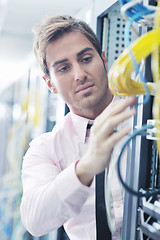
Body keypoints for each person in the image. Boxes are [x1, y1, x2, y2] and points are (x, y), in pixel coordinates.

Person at [20, 15, 137, 240]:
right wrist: (85, 168)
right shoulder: (45, 149)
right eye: (63, 68)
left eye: (85, 59)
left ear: (103, 59)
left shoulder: (144, 118)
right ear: (50, 84)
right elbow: (34, 219)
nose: (79, 75)